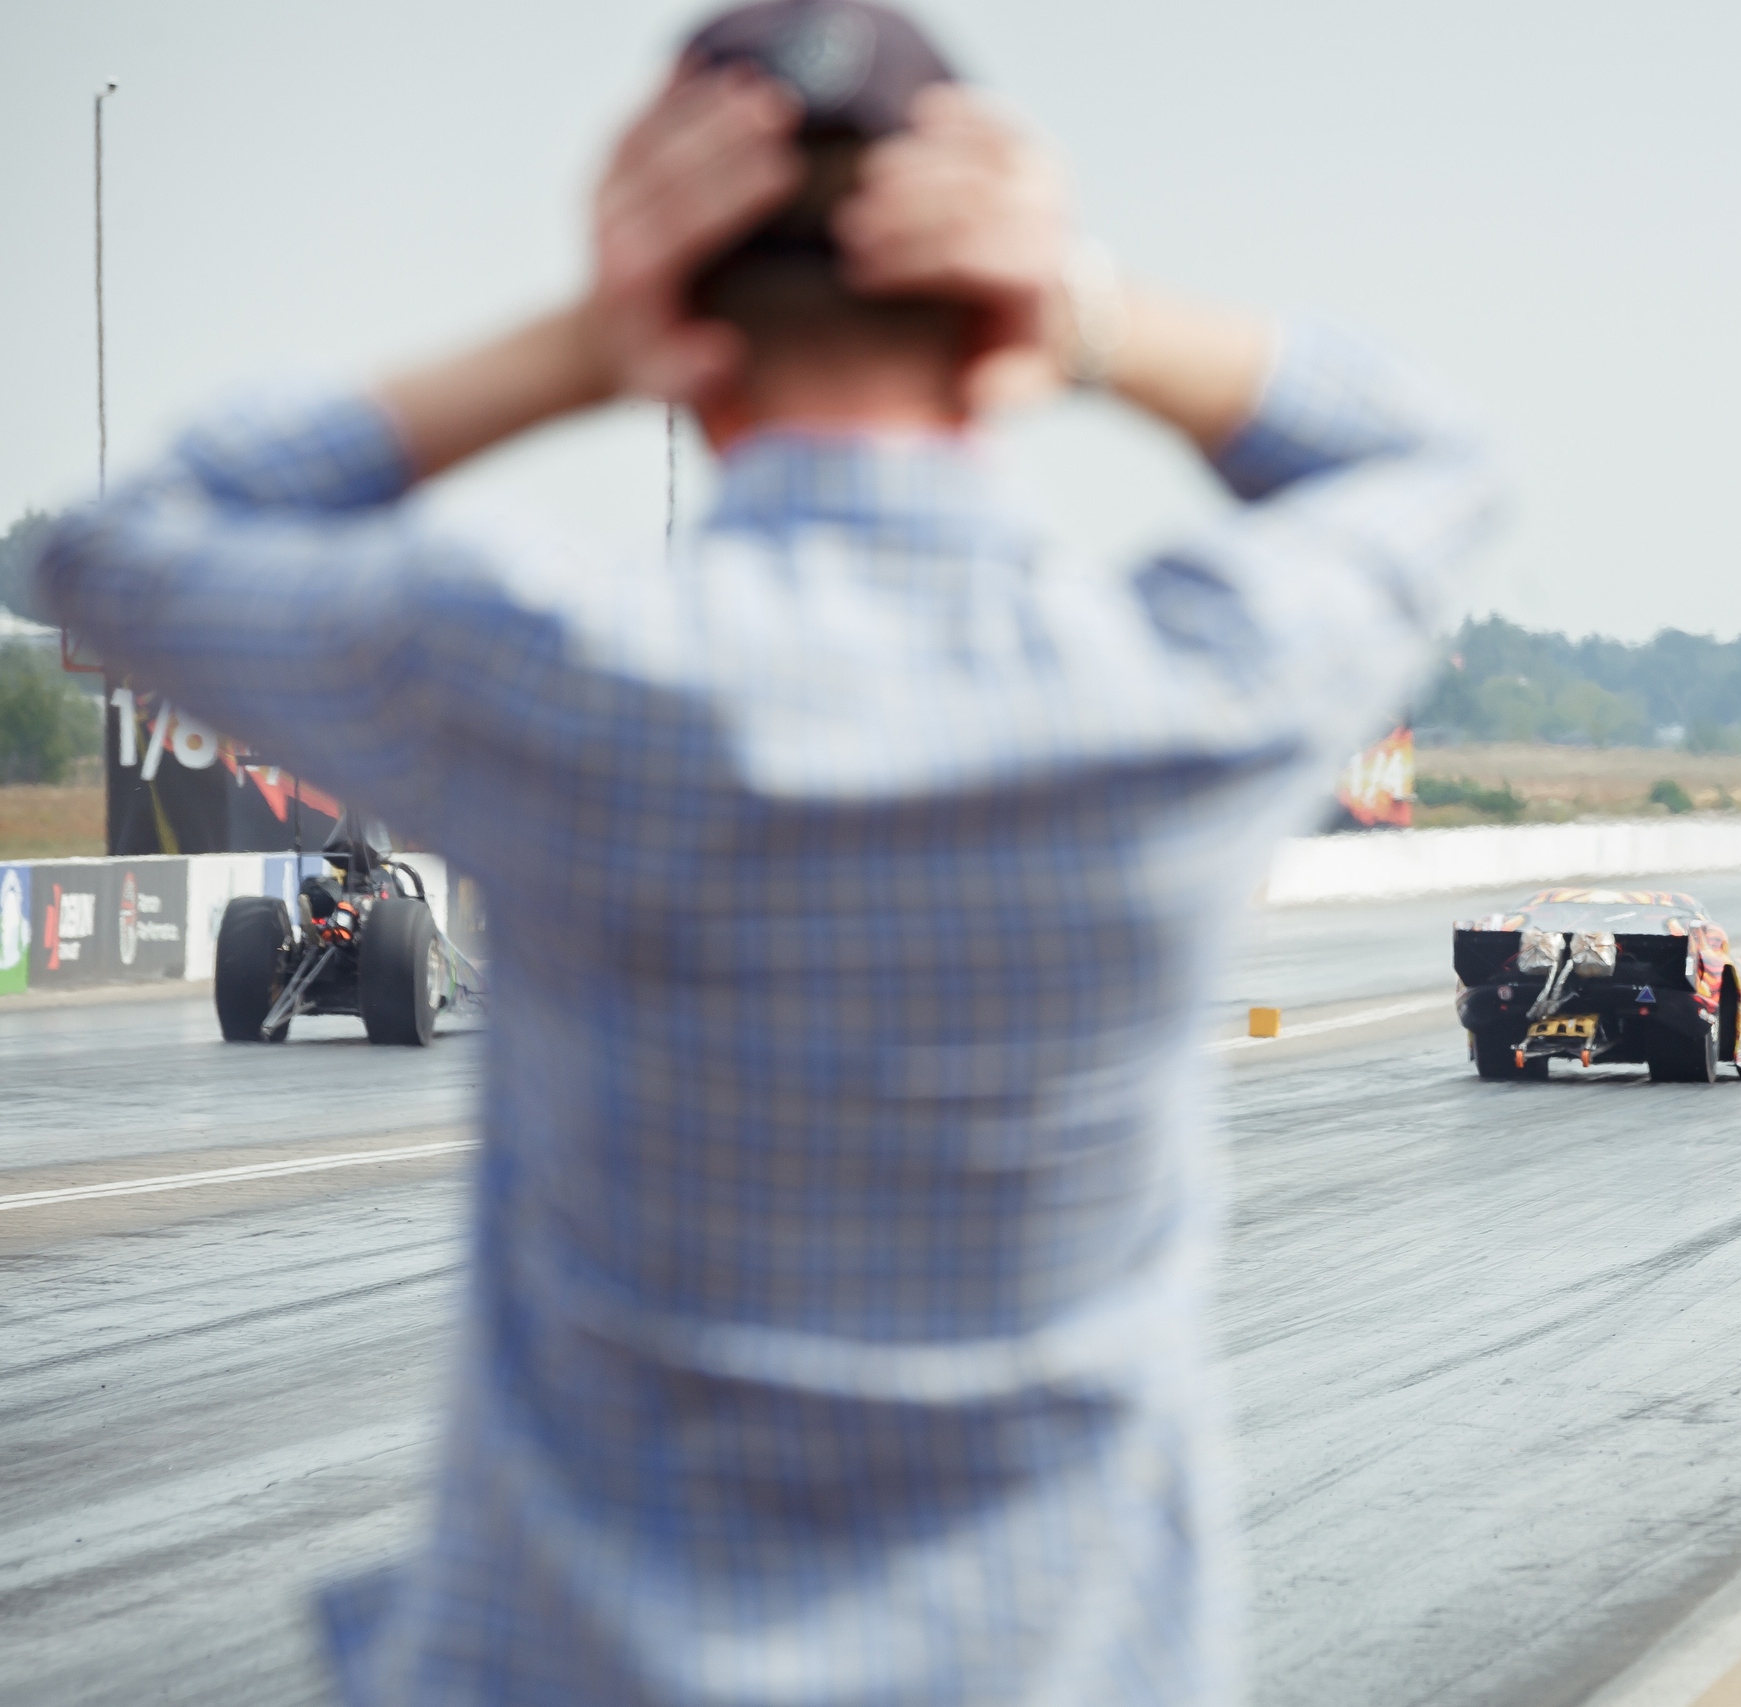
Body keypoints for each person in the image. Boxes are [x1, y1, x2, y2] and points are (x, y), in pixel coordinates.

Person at [35, 3, 1501, 1701]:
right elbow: (1434, 462)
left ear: (694, 341)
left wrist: (588, 337)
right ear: (990, 335)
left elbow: (111, 554)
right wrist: (1095, 317)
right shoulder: (1168, 689)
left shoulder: (547, 672)